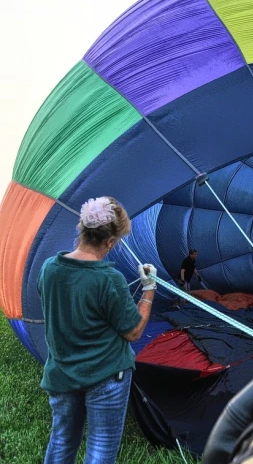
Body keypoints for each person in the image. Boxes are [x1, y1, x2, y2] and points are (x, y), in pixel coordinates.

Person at [38, 196, 158, 464]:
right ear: (110, 242)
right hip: (106, 376)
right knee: (101, 448)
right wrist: (149, 289)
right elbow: (133, 332)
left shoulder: (49, 268)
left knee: (61, 441)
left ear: (82, 229)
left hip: (62, 373)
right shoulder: (109, 278)